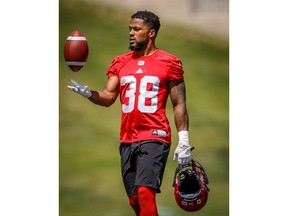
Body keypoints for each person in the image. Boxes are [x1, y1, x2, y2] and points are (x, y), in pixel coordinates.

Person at [67, 10, 192, 216]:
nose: (131, 33)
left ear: (151, 33)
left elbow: (179, 103)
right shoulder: (121, 62)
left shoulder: (169, 62)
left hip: (155, 135)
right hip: (127, 138)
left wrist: (184, 139)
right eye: (130, 29)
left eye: (136, 29)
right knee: (135, 199)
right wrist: (88, 93)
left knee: (145, 193)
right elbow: (108, 96)